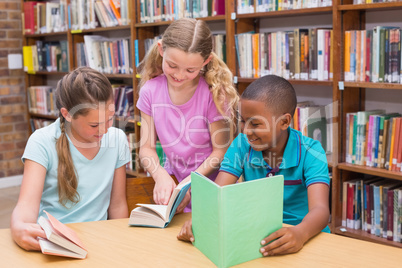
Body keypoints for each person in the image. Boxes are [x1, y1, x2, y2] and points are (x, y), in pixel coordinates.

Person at [177, 75, 331, 256]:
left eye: (256, 124)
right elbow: (218, 194)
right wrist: (200, 221)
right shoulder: (241, 145)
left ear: (284, 122)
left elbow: (320, 210)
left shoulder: (311, 151)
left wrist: (300, 233)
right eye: (242, 121)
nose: (246, 131)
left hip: (305, 238)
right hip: (258, 240)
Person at [11, 67, 130, 251]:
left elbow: (118, 205)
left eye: (110, 119)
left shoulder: (117, 139)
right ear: (67, 114)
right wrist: (20, 228)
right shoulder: (41, 141)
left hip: (101, 241)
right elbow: (26, 207)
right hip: (56, 243)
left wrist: (122, 245)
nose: (105, 130)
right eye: (94, 124)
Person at [136, 18, 239, 212]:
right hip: (175, 187)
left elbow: (220, 152)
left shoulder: (214, 93)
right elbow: (146, 148)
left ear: (205, 61)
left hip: (214, 190)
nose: (180, 75)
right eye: (172, 65)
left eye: (191, 70)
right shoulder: (150, 90)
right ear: (161, 50)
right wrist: (159, 175)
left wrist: (188, 183)